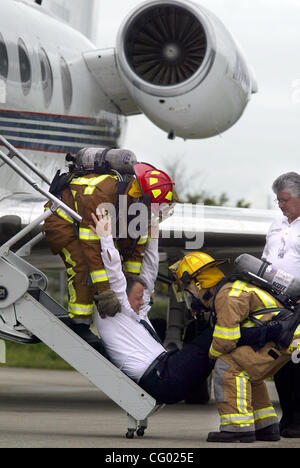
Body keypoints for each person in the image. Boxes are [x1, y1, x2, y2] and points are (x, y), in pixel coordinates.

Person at [90, 210, 295, 411]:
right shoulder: (115, 314)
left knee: (222, 341)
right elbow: (115, 273)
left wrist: (152, 236)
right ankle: (274, 331)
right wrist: (105, 238)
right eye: (136, 299)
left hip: (168, 368)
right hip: (162, 377)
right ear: (122, 297)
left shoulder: (132, 313)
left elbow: (150, 272)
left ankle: (271, 332)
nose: (141, 303)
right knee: (216, 335)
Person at [172, 251, 300, 443]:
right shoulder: (231, 289)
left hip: (286, 338)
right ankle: (265, 426)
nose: (191, 295)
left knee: (228, 366)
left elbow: (226, 340)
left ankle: (237, 428)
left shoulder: (226, 296)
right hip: (286, 337)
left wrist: (210, 358)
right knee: (249, 372)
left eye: (189, 289)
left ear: (200, 284)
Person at [43, 148, 175, 331]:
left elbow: (135, 248)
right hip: (62, 222)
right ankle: (80, 323)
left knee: (112, 259)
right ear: (144, 199)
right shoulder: (102, 194)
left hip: (91, 224)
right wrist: (105, 291)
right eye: (154, 208)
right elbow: (91, 245)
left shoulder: (136, 204)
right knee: (82, 267)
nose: (154, 213)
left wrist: (133, 285)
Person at [262, 171, 300, 438]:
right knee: (281, 362)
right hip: (276, 302)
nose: (281, 205)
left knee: (298, 362)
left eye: (285, 200)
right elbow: (266, 259)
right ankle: (288, 417)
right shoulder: (276, 224)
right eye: (278, 200)